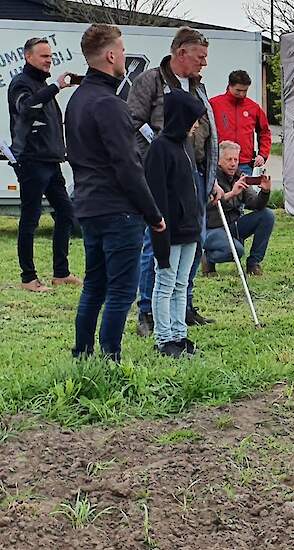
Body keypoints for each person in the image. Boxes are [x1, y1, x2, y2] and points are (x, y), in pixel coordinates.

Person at [65, 24, 165, 362]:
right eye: (121, 50)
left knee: (94, 285)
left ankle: (82, 355)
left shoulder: (77, 100)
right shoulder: (110, 104)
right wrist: (153, 213)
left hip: (88, 205)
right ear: (110, 55)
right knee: (121, 290)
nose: (123, 56)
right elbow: (128, 166)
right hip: (118, 209)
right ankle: (110, 360)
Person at [129, 26, 222, 336]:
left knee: (194, 239)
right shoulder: (152, 80)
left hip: (194, 172)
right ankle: (147, 311)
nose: (204, 63)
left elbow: (206, 129)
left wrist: (211, 176)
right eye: (200, 56)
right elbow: (133, 120)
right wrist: (158, 146)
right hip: (163, 175)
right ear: (181, 52)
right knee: (156, 240)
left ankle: (184, 303)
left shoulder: (197, 85)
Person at [7, 37, 82, 292]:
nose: (49, 60)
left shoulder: (41, 84)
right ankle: (29, 278)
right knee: (30, 219)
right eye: (44, 56)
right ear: (29, 57)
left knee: (66, 213)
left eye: (50, 56)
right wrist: (56, 87)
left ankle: (61, 273)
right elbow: (26, 108)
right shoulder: (21, 84)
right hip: (30, 160)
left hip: (51, 161)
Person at [146, 90, 207, 357]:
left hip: (190, 228)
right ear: (181, 118)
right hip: (170, 230)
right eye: (192, 120)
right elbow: (158, 195)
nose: (195, 125)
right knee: (165, 282)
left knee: (181, 284)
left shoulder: (186, 146)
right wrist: (161, 232)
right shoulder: (159, 149)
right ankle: (164, 338)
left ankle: (180, 334)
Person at [203, 141, 275, 274]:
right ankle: (208, 257)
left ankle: (254, 263)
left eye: (236, 159)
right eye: (229, 159)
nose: (233, 163)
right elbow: (208, 206)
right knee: (237, 250)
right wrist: (231, 194)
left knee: (267, 215)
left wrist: (265, 192)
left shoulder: (240, 176)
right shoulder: (211, 179)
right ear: (218, 161)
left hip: (233, 225)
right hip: (212, 228)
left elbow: (255, 204)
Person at [209, 70, 272, 176]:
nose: (241, 94)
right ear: (229, 86)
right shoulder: (214, 104)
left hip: (244, 163)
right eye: (238, 90)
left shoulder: (253, 107)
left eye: (245, 91)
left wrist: (262, 155)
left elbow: (264, 132)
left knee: (245, 192)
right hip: (219, 163)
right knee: (220, 192)